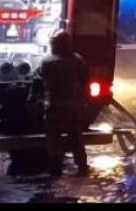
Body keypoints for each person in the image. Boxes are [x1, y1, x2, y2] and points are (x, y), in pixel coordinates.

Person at [37, 31, 89, 175]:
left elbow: (40, 82)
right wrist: (83, 100)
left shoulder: (47, 61)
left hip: (54, 107)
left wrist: (35, 100)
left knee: (54, 139)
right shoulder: (77, 60)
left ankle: (55, 168)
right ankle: (82, 165)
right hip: (72, 107)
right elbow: (85, 80)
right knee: (75, 137)